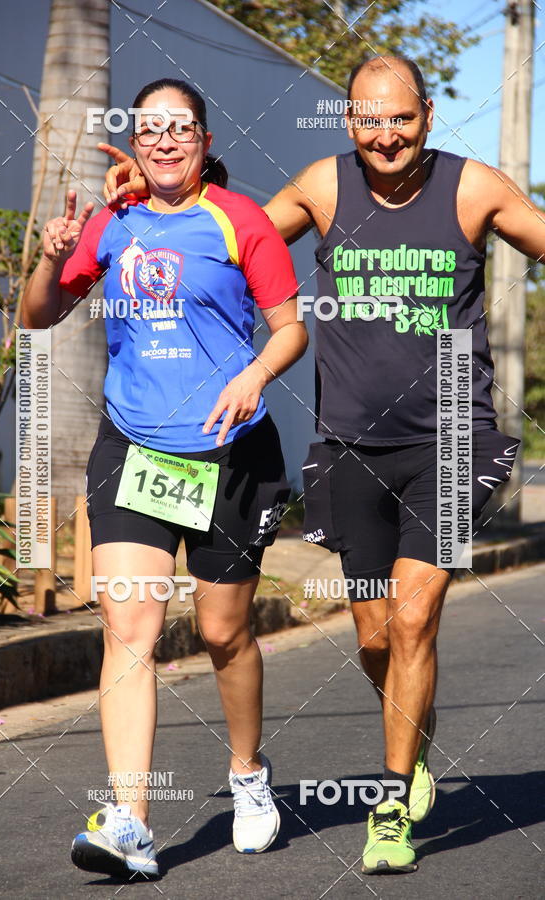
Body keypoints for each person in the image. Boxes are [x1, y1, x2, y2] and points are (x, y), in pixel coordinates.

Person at [100, 56, 544, 875]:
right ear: (348, 124)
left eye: (402, 119)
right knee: (376, 637)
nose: (387, 135)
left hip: (452, 436)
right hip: (348, 447)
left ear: (429, 116)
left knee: (413, 619)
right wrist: (147, 200)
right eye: (369, 120)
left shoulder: (475, 188)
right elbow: (230, 240)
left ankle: (390, 802)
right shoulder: (322, 187)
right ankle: (414, 728)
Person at [22, 77, 307, 879]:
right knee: (129, 630)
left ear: (205, 141)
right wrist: (49, 260)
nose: (166, 140)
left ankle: (249, 776)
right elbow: (39, 315)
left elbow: (290, 329)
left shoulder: (239, 219)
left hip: (229, 452)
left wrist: (254, 374)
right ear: (136, 140)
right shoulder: (112, 222)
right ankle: (131, 821)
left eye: (181, 127)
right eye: (152, 129)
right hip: (135, 448)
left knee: (222, 633)